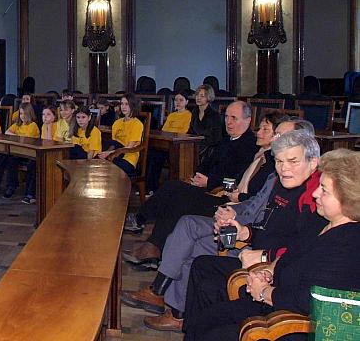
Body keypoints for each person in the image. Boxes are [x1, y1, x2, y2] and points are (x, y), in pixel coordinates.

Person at [122, 117, 306, 331]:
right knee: (182, 214)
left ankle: (170, 303)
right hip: (236, 213)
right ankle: (166, 298)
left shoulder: (287, 179)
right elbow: (251, 200)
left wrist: (238, 220)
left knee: (188, 225)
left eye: (279, 134)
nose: (275, 138)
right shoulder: (272, 168)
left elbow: (265, 217)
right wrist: (232, 210)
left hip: (246, 232)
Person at [184, 148, 360, 341]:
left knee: (213, 332)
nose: (316, 193)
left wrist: (264, 292)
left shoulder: (347, 246)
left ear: (348, 199)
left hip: (292, 325)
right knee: (205, 318)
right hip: (275, 298)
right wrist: (269, 271)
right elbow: (291, 254)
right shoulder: (321, 222)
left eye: (324, 190)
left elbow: (309, 303)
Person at [123, 101, 258, 263]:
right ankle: (149, 236)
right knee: (172, 187)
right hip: (207, 187)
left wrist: (209, 182)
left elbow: (236, 179)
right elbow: (207, 163)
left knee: (179, 197)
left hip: (223, 197)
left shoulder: (250, 145)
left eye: (234, 118)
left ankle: (151, 240)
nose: (228, 122)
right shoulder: (226, 140)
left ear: (247, 120)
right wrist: (197, 176)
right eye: (227, 117)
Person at [146, 91, 192, 194]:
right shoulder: (171, 115)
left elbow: (184, 132)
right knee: (152, 155)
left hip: (178, 146)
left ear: (186, 102)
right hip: (166, 144)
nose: (178, 102)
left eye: (181, 100)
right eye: (176, 100)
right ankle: (150, 188)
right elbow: (164, 130)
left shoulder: (189, 116)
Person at [0, 102, 39, 199]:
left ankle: (9, 186)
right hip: (17, 152)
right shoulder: (17, 124)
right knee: (4, 156)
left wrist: (15, 136)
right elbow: (7, 132)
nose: (22, 116)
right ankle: (0, 184)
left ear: (30, 114)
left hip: (29, 154)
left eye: (25, 114)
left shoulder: (33, 125)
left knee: (10, 158)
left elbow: (26, 140)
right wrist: (17, 136)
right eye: (21, 114)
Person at [99, 93, 144, 176]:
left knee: (108, 169)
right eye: (122, 104)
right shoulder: (116, 123)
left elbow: (130, 147)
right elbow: (113, 143)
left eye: (126, 104)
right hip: (114, 155)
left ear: (133, 106)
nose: (123, 107)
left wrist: (109, 153)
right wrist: (107, 153)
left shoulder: (137, 124)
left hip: (128, 157)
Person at [188, 84, 224, 163]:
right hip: (195, 144)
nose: (198, 98)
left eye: (202, 96)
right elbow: (190, 131)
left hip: (208, 147)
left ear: (208, 97)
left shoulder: (214, 115)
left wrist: (199, 142)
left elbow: (216, 138)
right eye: (197, 95)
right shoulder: (194, 111)